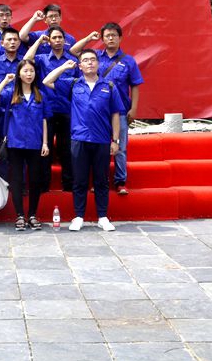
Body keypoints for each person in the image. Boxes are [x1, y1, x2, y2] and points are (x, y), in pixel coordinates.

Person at [44, 50, 124, 232]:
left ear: (98, 64)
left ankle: (102, 217)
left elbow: (115, 115)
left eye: (93, 60)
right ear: (80, 66)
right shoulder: (73, 84)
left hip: (102, 140)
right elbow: (47, 81)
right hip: (79, 139)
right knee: (79, 180)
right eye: (85, 60)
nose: (89, 63)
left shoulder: (109, 86)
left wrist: (115, 140)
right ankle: (79, 216)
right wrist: (64, 67)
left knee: (101, 180)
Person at [76, 22, 142, 195]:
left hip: (120, 111)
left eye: (114, 35)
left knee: (120, 148)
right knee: (98, 148)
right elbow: (74, 52)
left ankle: (120, 181)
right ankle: (99, 181)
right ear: (103, 39)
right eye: (107, 36)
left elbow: (135, 85)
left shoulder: (129, 61)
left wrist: (134, 109)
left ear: (120, 38)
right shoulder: (95, 57)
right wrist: (88, 39)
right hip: (98, 112)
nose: (111, 38)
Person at [0, 59, 51, 230]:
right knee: (16, 180)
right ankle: (19, 215)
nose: (29, 74)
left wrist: (45, 143)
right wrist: (5, 81)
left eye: (32, 71)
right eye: (25, 71)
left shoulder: (40, 95)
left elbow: (45, 120)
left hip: (35, 143)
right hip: (15, 143)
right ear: (19, 74)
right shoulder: (11, 93)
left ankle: (32, 215)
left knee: (35, 180)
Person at [34, 27, 78, 192]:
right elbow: (26, 59)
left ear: (65, 40)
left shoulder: (73, 61)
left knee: (67, 149)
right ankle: (43, 185)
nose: (58, 40)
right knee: (45, 149)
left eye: (60, 37)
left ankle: (69, 184)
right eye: (54, 38)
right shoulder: (42, 58)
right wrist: (39, 41)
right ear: (49, 40)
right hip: (46, 109)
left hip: (67, 109)